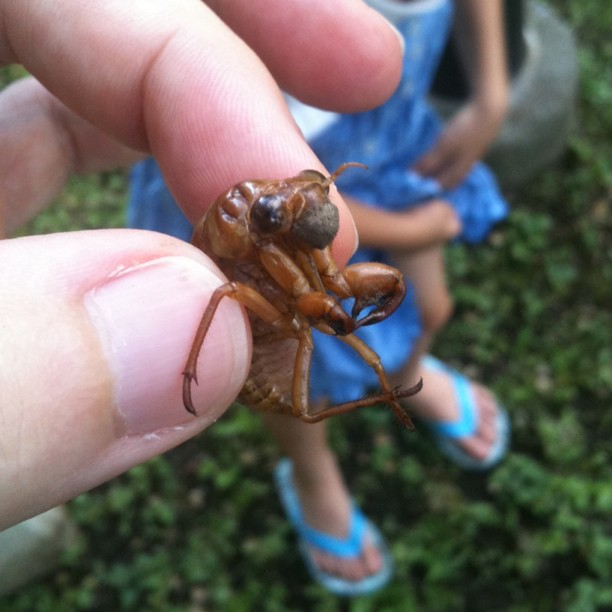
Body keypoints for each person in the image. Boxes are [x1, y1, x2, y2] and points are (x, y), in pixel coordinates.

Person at [127, 0, 511, 597]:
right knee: (305, 394)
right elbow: (232, 289)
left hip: (390, 143)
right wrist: (417, 231)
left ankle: (404, 375)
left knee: (427, 306)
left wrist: (491, 88)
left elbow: (320, 264)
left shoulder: (299, 214)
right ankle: (313, 472)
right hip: (272, 295)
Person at [0, 0, 403, 532]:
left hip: (286, 322)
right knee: (299, 385)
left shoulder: (291, 247)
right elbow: (232, 295)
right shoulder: (258, 254)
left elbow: (329, 294)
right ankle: (334, 434)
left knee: (352, 315)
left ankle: (382, 381)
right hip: (262, 346)